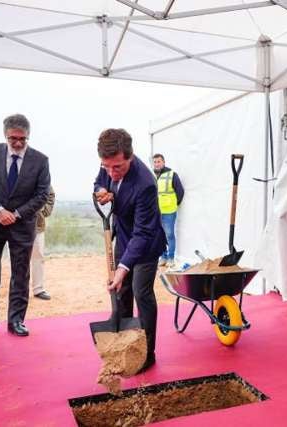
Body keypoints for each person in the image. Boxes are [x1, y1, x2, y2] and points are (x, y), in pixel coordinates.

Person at [0, 114, 51, 338]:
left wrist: (15, 214)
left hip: (22, 225)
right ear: (5, 135)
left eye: (23, 139)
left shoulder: (40, 160)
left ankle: (16, 320)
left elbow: (42, 194)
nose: (17, 143)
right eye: (13, 138)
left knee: (20, 274)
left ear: (28, 136)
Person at [94, 128, 167, 372]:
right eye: (107, 167)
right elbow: (99, 183)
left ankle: (147, 353)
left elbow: (143, 233)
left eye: (118, 168)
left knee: (140, 290)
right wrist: (102, 192)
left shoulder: (145, 183)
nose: (112, 173)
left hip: (147, 243)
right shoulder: (108, 165)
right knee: (120, 291)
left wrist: (123, 268)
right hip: (123, 238)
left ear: (131, 157)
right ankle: (123, 343)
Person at [152, 154, 184, 267]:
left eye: (159, 161)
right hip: (157, 212)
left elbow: (180, 191)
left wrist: (174, 204)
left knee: (169, 235)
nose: (156, 164)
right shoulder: (153, 176)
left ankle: (171, 258)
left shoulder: (172, 175)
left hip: (169, 211)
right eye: (155, 162)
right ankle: (163, 257)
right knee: (159, 236)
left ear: (163, 162)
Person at [30, 185, 55, 301]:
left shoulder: (40, 171)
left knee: (38, 256)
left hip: (37, 224)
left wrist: (44, 211)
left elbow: (50, 194)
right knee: (17, 258)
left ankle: (38, 289)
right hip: (16, 224)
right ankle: (19, 290)